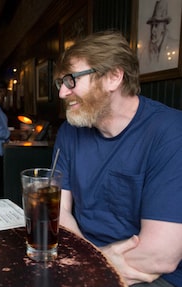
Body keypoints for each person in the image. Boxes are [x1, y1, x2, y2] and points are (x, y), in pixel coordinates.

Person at [53, 30, 182, 287]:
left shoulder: (170, 132)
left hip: (151, 277)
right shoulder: (70, 131)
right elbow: (58, 210)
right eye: (61, 83)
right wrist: (93, 261)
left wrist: (95, 265)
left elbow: (161, 255)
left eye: (71, 80)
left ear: (113, 77)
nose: (62, 94)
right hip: (86, 258)